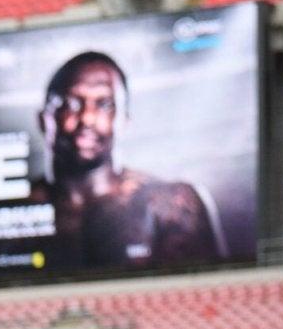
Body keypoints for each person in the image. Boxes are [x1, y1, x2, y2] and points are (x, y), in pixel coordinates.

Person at [31, 50, 225, 269]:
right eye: (71, 104)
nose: (87, 118)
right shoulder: (10, 211)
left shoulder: (171, 204)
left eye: (104, 104)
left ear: (124, 121)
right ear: (43, 119)